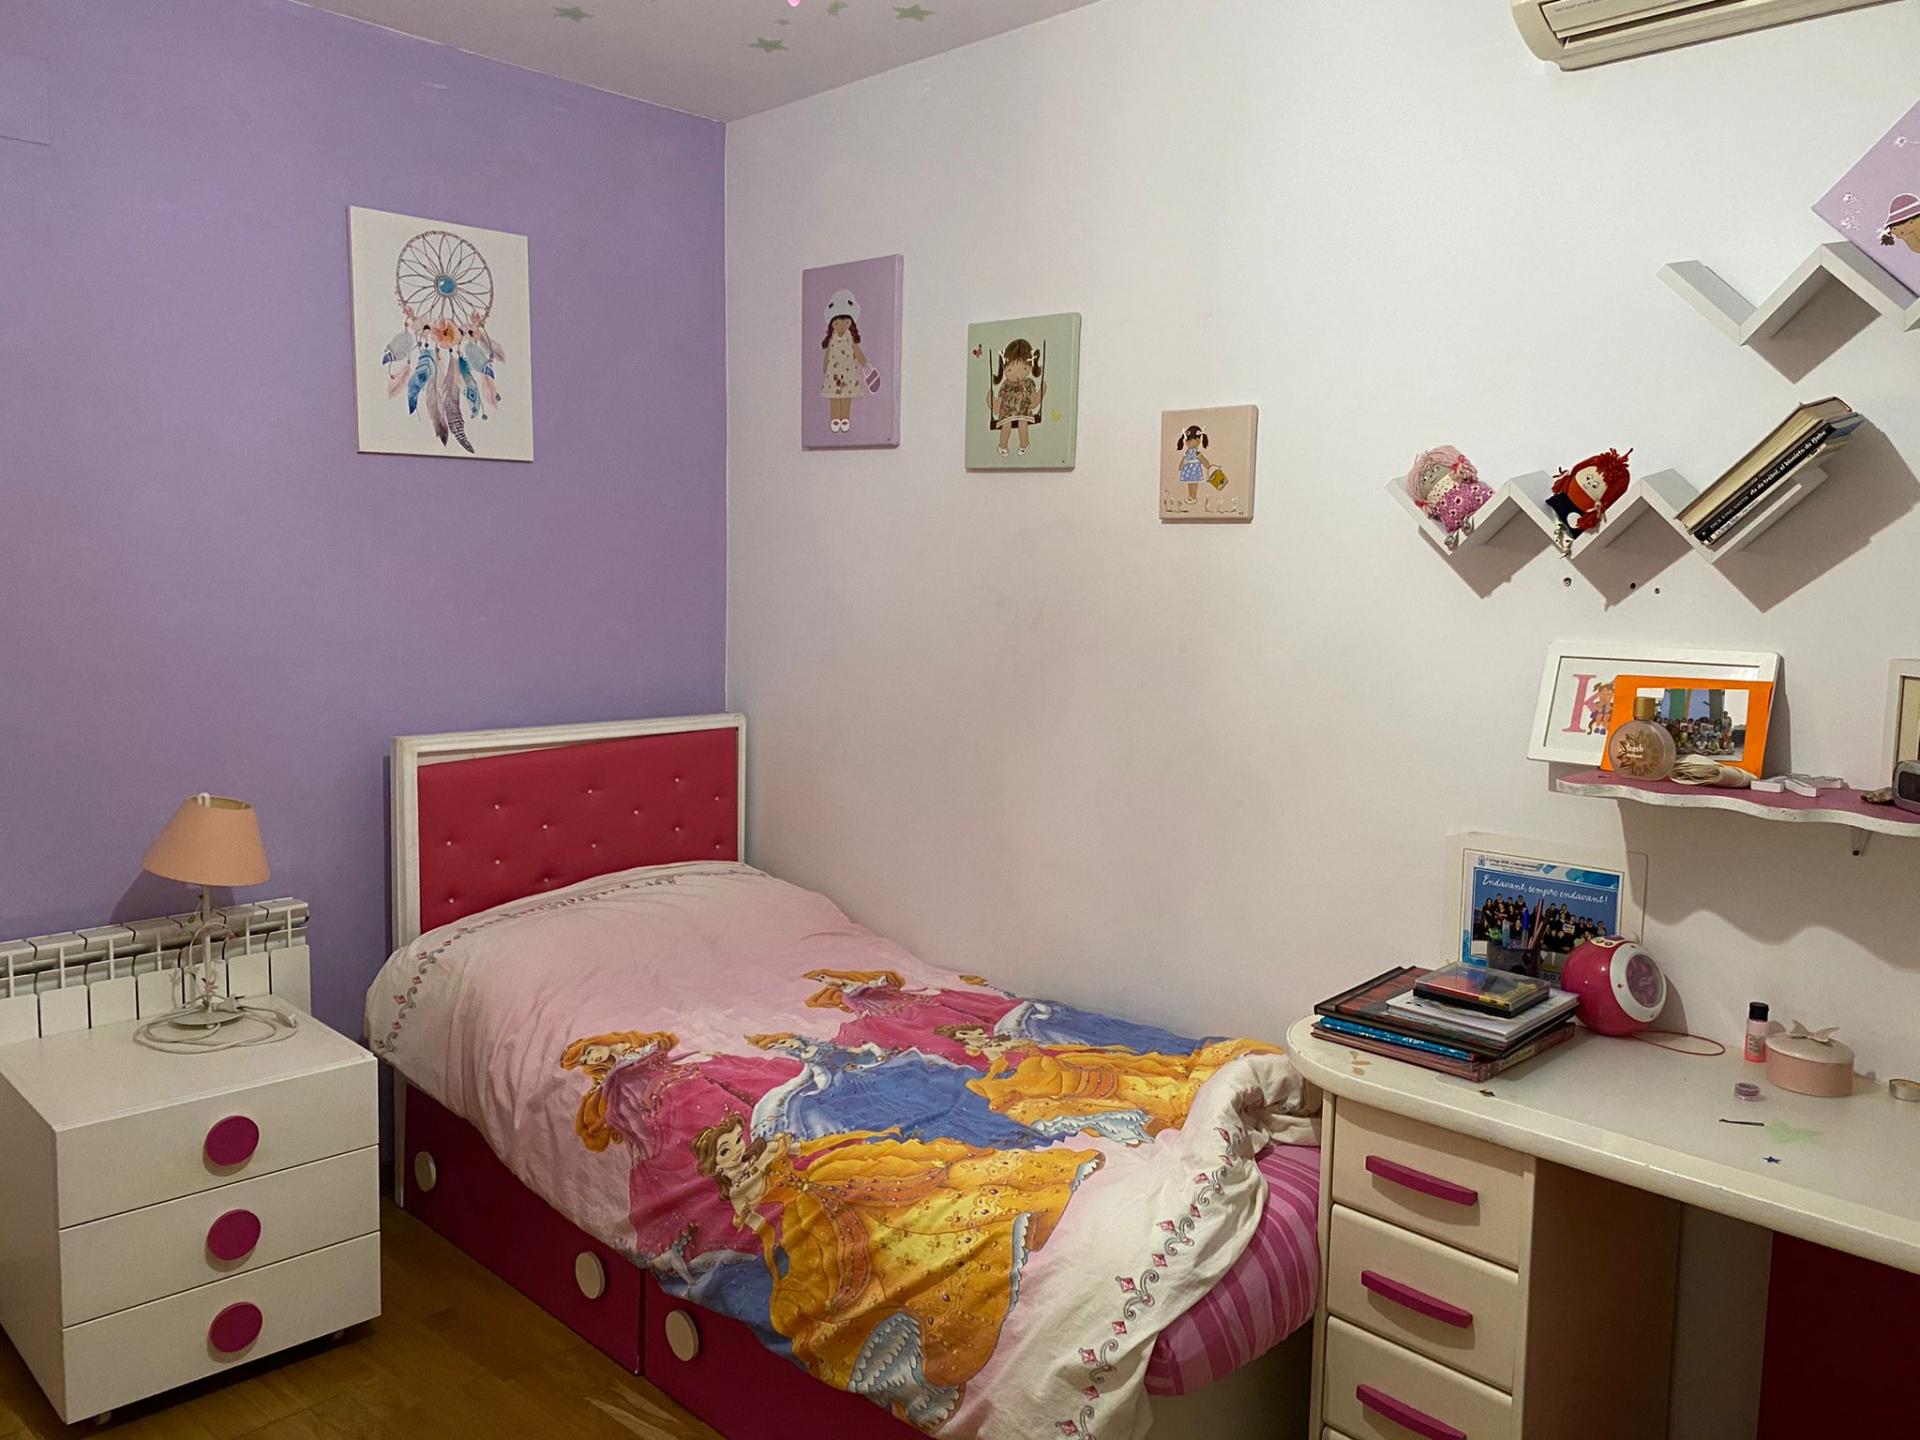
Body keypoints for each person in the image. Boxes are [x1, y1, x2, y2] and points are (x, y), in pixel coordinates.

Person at [691, 1112, 1100, 1429]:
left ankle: (1015, 1196)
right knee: (860, 1264)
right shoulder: (740, 1194)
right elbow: (761, 1231)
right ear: (715, 1166)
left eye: (735, 1142)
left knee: (910, 1180)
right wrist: (774, 1264)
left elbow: (807, 1148)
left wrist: (852, 1136)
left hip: (828, 1179)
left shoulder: (764, 1152)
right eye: (727, 1150)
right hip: (811, 1213)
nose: (739, 1149)